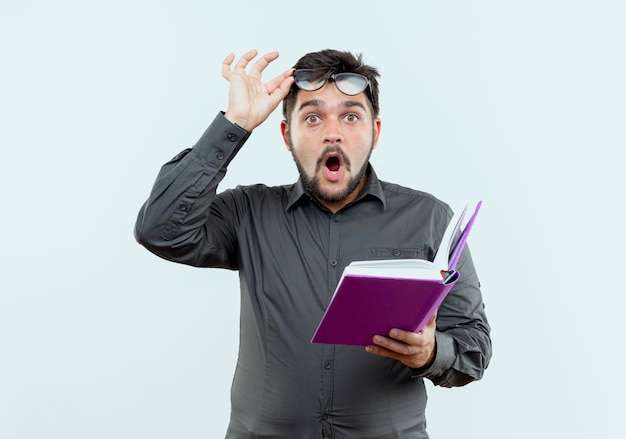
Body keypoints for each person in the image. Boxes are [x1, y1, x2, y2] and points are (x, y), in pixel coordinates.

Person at [135, 49, 491, 439]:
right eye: (313, 117)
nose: (332, 132)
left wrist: (429, 353)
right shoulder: (246, 213)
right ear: (287, 135)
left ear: (376, 131)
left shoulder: (429, 218)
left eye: (351, 116)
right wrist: (234, 124)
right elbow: (160, 229)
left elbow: (473, 348)